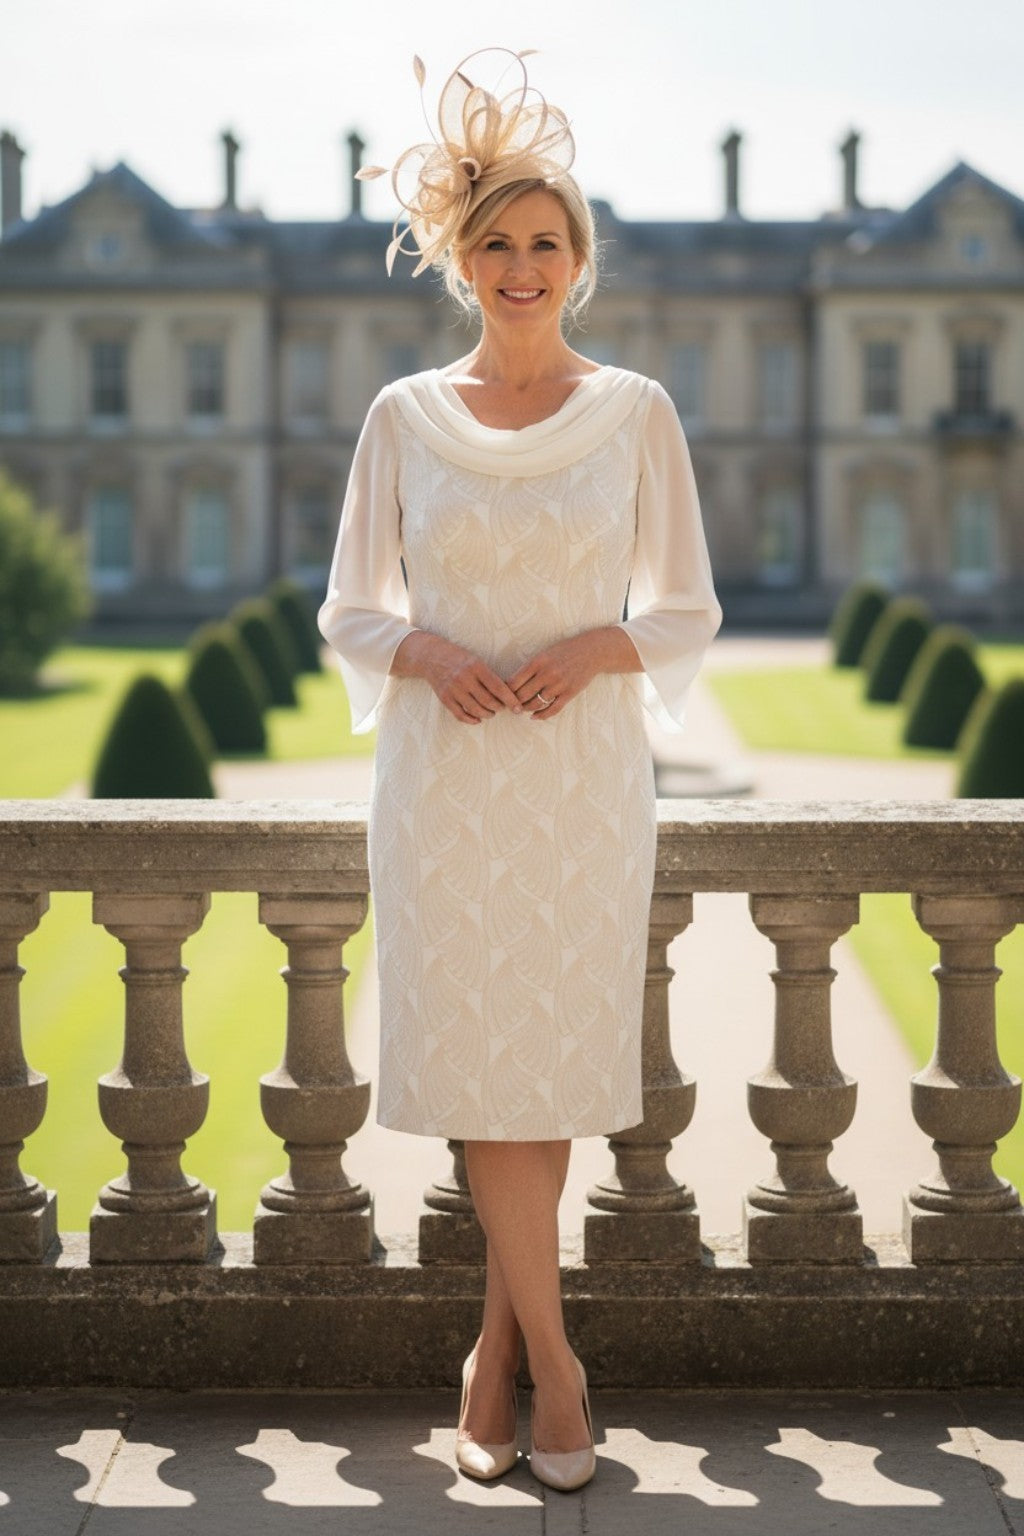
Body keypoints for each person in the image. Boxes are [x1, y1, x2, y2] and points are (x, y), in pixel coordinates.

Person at [318, 48, 722, 1492]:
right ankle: (558, 1374)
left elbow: (683, 610)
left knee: (540, 1071)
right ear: (460, 260)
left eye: (546, 243)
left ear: (581, 262)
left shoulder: (637, 413)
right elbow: (351, 605)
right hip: (442, 785)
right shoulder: (402, 418)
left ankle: (499, 1361)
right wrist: (420, 655)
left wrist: (594, 651)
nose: (522, 263)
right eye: (497, 241)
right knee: (489, 1072)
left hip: (579, 786)